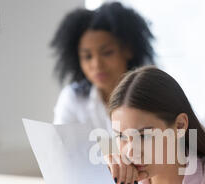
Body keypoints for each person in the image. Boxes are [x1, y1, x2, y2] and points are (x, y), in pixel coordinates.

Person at [50, 2, 155, 131]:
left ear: (128, 50)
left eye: (107, 53)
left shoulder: (153, 96)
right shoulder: (73, 98)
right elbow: (60, 148)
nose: (97, 64)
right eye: (87, 56)